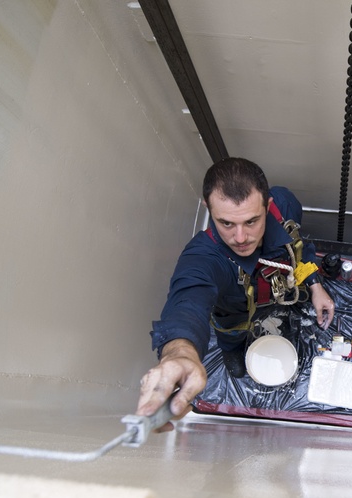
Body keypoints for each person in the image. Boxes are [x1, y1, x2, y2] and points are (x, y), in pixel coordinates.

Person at [138, 157, 334, 426]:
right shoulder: (203, 256)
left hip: (277, 297)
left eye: (252, 221)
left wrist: (315, 284)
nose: (240, 238)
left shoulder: (285, 205)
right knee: (232, 338)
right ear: (209, 208)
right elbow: (188, 300)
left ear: (268, 206)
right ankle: (232, 351)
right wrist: (179, 352)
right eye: (227, 223)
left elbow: (300, 247)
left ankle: (276, 331)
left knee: (282, 325)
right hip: (234, 316)